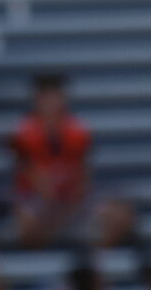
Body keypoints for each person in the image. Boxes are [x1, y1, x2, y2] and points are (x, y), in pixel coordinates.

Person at [9, 73, 94, 250]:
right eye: (45, 97)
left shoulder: (77, 129)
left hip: (69, 198)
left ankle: (93, 260)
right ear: (36, 99)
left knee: (115, 214)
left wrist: (71, 196)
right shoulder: (24, 130)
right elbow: (28, 172)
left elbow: (83, 174)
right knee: (27, 223)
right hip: (36, 199)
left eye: (54, 97)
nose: (50, 103)